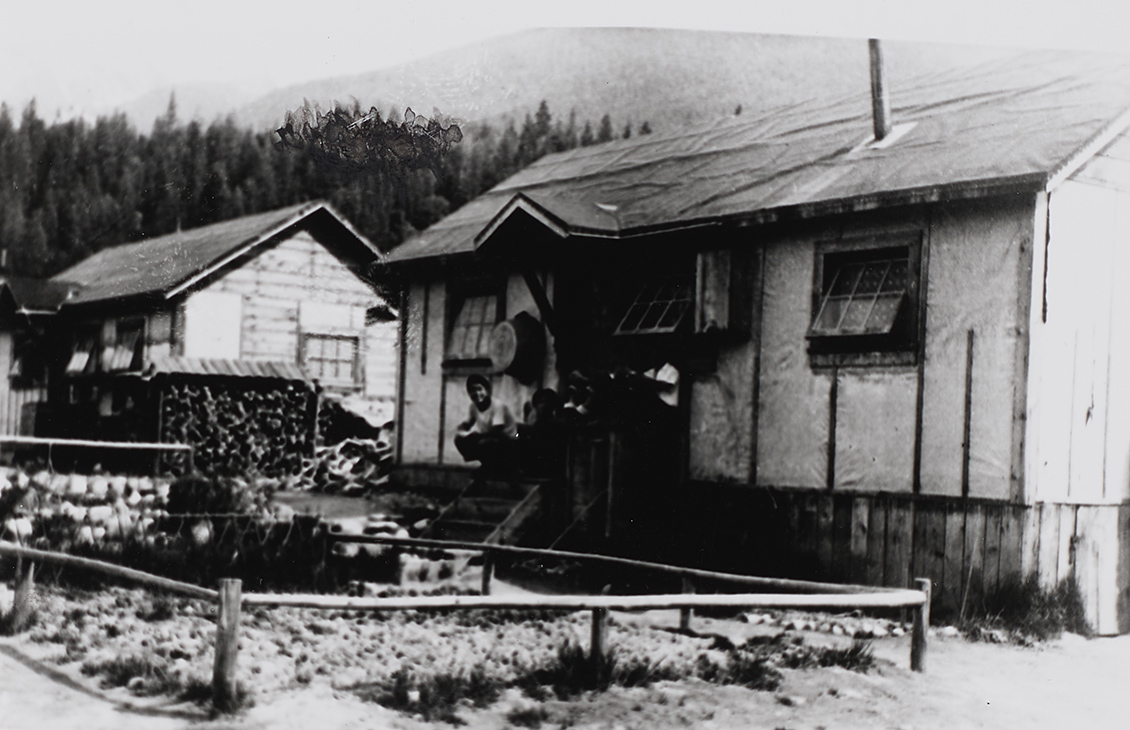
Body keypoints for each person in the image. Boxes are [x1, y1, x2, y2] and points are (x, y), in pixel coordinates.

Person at [454, 375, 518, 472]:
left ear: (487, 390)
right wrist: (462, 428)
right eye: (472, 390)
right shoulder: (473, 406)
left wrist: (477, 436)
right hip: (489, 438)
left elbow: (497, 430)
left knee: (483, 443)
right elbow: (469, 422)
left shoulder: (497, 405)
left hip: (510, 438)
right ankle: (487, 463)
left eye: (479, 389)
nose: (476, 393)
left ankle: (497, 464)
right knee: (459, 440)